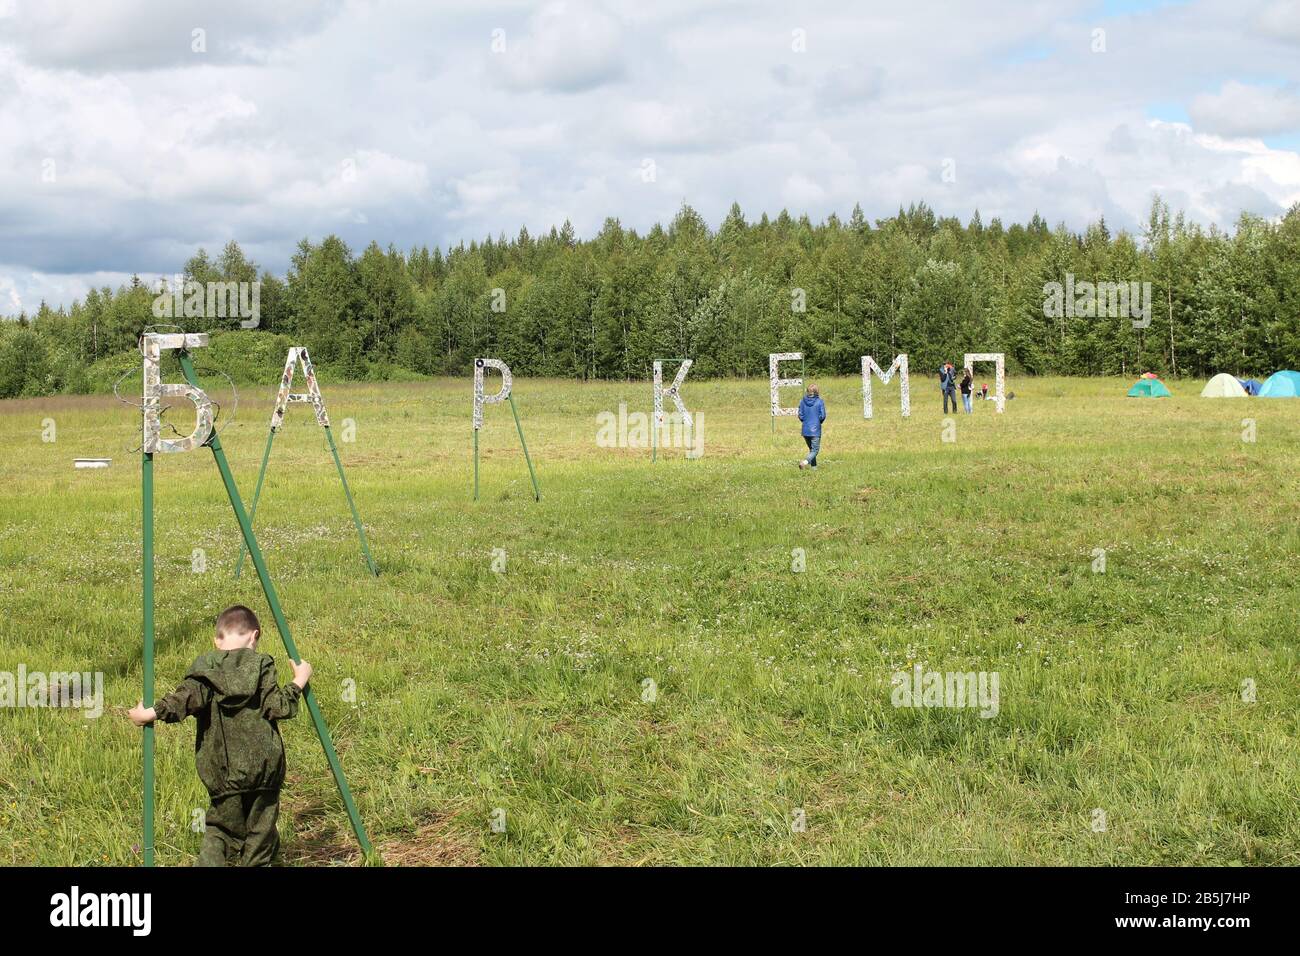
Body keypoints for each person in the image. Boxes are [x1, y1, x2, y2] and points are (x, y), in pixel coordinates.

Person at [129, 605, 311, 866]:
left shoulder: (205, 672)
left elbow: (184, 700)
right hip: (265, 771)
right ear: (254, 636)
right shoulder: (262, 665)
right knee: (261, 834)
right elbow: (278, 707)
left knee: (220, 832)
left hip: (224, 774)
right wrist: (299, 681)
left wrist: (150, 713)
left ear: (217, 640)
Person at [797, 383, 825, 470]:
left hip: (805, 430)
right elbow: (823, 416)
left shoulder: (802, 401)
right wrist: (818, 422)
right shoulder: (820, 401)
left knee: (811, 450)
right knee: (815, 450)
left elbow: (800, 415)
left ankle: (814, 469)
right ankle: (804, 462)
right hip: (815, 430)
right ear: (817, 391)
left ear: (807, 391)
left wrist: (805, 422)